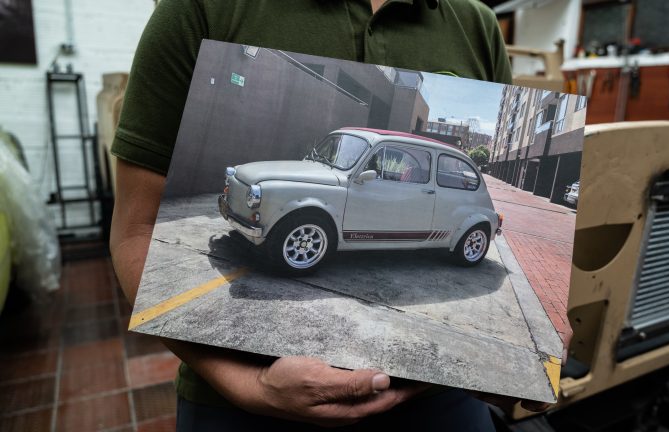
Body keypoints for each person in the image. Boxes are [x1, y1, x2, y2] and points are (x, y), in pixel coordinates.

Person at [110, 0, 542, 430]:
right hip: (236, 407)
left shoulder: (476, 25)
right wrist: (248, 384)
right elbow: (136, 230)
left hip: (437, 404)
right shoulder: (201, 7)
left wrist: (518, 371)